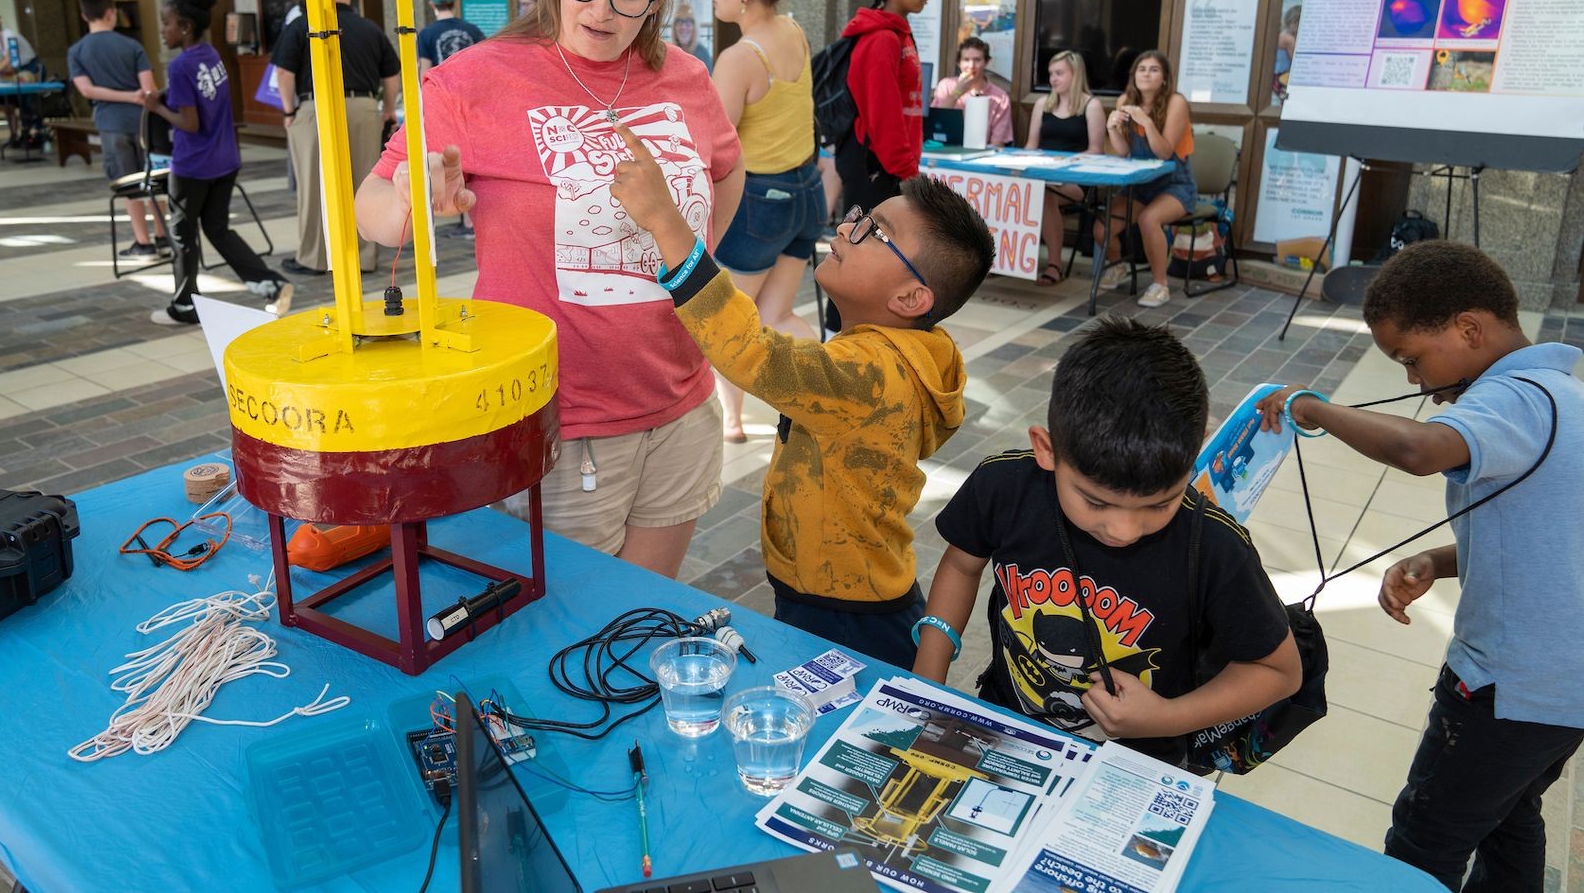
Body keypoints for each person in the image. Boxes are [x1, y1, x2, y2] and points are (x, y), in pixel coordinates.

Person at [355, 0, 745, 578]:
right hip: (564, 421)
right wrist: (418, 198)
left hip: (682, 402)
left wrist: (688, 251)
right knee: (568, 631)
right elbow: (373, 205)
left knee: (643, 620)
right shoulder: (477, 78)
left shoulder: (686, 76)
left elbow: (726, 166)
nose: (601, 9)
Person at [1255, 242, 1584, 893]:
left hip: (1505, 690)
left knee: (1422, 841)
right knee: (1507, 818)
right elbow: (1551, 540)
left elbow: (1415, 446)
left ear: (1469, 329)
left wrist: (1309, 406)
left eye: (1412, 359)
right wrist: (1437, 558)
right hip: (1562, 695)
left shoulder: (1516, 397)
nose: (1412, 381)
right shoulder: (1565, 394)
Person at [612, 146, 993, 666]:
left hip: (844, 612)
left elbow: (750, 353)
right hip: (841, 592)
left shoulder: (872, 375)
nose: (846, 228)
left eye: (874, 232)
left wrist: (664, 221)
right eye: (859, 216)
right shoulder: (912, 354)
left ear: (910, 299)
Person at [915, 317, 1301, 764]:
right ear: (1047, 449)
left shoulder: (1215, 547)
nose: (1123, 529)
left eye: (1159, 504)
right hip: (1006, 725)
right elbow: (963, 565)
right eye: (1096, 502)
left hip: (1138, 763)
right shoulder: (1004, 486)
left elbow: (1279, 671)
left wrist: (1166, 718)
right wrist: (928, 679)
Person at [703, 0, 823, 443]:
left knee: (728, 322)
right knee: (775, 314)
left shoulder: (740, 58)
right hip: (806, 193)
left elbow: (715, 147)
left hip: (757, 203)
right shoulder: (795, 31)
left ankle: (731, 421)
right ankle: (829, 389)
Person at [141, 0, 292, 327]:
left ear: (185, 27)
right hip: (225, 158)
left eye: (166, 24)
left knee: (181, 233)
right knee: (217, 229)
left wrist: (155, 106)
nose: (162, 30)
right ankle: (271, 284)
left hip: (193, 164)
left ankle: (183, 305)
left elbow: (190, 122)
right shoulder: (211, 54)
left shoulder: (180, 66)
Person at [272, 0, 402, 276]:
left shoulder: (302, 25)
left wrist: (288, 111)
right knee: (365, 182)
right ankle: (364, 257)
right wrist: (389, 109)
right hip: (364, 107)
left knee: (314, 184)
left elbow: (284, 73)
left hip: (316, 106)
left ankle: (314, 258)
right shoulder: (371, 28)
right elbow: (392, 74)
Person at [68, 0, 168, 259]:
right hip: (145, 123)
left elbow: (86, 91)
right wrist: (134, 96)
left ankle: (142, 242)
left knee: (127, 182)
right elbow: (149, 90)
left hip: (111, 124)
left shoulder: (76, 51)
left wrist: (122, 96)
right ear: (111, 12)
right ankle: (163, 237)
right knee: (155, 178)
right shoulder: (132, 46)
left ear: (84, 16)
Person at [1096, 50, 1196, 308]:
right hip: (1140, 185)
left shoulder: (1176, 102)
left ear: (1164, 78)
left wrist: (1147, 122)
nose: (1146, 74)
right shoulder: (1124, 100)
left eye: (1154, 69)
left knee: (1148, 219)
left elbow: (1164, 152)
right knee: (1102, 228)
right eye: (1142, 69)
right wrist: (1111, 128)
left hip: (1175, 184)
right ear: (1134, 75)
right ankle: (1118, 267)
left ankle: (1160, 284)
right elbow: (1123, 151)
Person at [838, 0, 928, 217]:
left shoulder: (901, 34)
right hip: (877, 166)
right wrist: (907, 172)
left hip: (894, 167)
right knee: (866, 249)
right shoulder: (881, 39)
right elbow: (883, 114)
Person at [1024, 50, 1107, 286]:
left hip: (1076, 179)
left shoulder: (1091, 106)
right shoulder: (1043, 104)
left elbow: (1096, 151)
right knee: (1017, 188)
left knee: (1045, 194)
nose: (1053, 79)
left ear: (1075, 74)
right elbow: (1031, 146)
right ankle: (1007, 260)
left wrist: (1064, 162)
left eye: (1059, 73)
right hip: (1042, 174)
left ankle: (1054, 265)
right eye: (1051, 74)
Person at [931, 37, 1013, 148]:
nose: (971, 66)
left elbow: (997, 143)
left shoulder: (1000, 97)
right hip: (946, 149)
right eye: (966, 60)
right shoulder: (946, 86)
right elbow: (935, 123)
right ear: (959, 63)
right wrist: (956, 93)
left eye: (977, 60)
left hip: (982, 155)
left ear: (986, 62)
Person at [0, 13, 44, 143]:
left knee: (29, 101)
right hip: (20, 69)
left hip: (30, 67)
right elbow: (4, 60)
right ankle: (25, 131)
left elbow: (9, 58)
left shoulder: (9, 35)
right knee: (20, 101)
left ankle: (36, 130)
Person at [416, 0, 486, 75]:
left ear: (432, 5)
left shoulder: (425, 34)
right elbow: (484, 64)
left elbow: (425, 71)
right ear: (456, 2)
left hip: (441, 89)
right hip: (470, 87)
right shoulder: (473, 30)